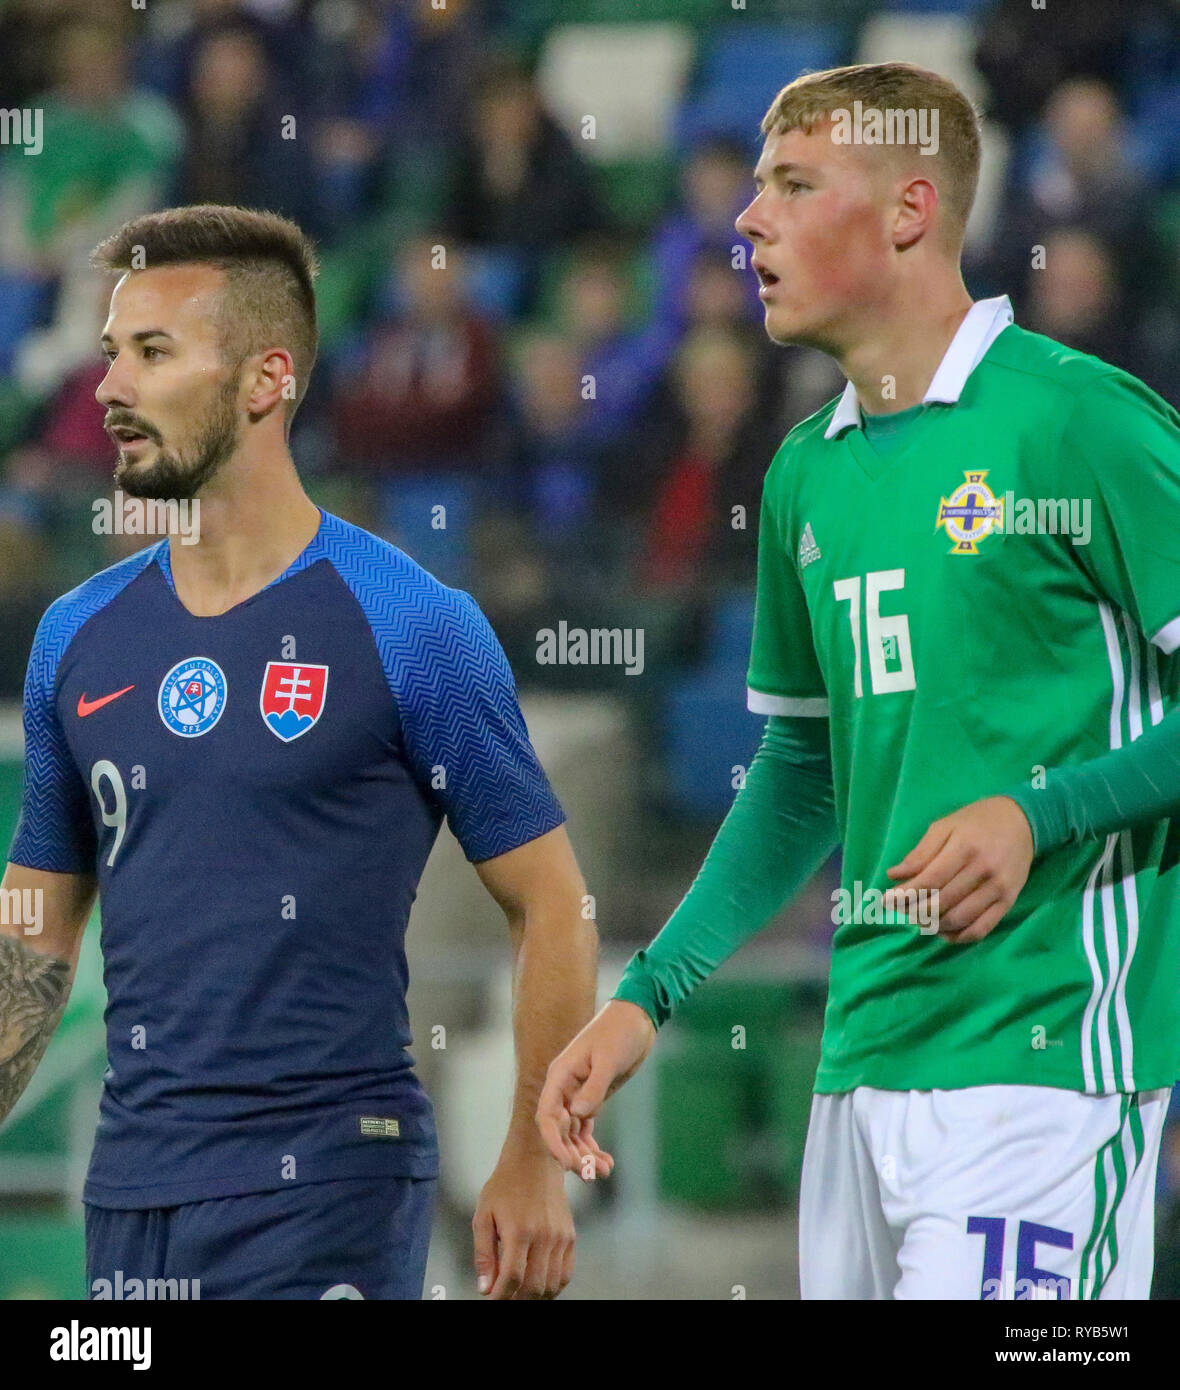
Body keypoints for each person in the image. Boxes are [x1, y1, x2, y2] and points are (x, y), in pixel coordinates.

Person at [537, 62, 1180, 1301]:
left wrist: (1039, 812)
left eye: (791, 184)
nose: (746, 218)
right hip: (861, 1067)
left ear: (908, 210)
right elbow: (801, 774)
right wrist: (646, 997)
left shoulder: (1078, 423)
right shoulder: (803, 476)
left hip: (1042, 1069)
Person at [0, 204, 596, 1301]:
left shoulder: (412, 625)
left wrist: (528, 1158)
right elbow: (33, 936)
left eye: (153, 353)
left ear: (267, 379)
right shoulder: (74, 637)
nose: (110, 389)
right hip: (130, 1193)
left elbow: (554, 906)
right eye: (109, 354)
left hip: (327, 1184)